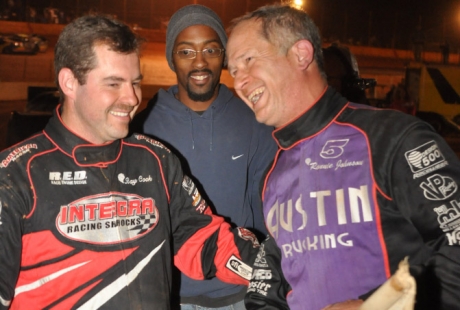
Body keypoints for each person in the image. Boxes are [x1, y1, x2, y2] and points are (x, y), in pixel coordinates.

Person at [0, 14, 260, 309]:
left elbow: (203, 240)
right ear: (69, 82)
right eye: (114, 83)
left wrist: (273, 272)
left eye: (135, 82)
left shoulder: (156, 159)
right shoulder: (14, 177)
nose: (132, 97)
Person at [226, 4, 460, 310]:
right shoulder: (273, 172)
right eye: (233, 71)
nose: (239, 82)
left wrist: (375, 306)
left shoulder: (391, 137)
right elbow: (269, 279)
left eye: (248, 60)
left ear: (301, 54)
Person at [132, 5, 277, 309]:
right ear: (172, 57)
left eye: (210, 49)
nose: (199, 62)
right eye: (186, 52)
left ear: (223, 55)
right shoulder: (141, 127)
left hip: (240, 293)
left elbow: (268, 208)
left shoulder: (255, 121)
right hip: (167, 295)